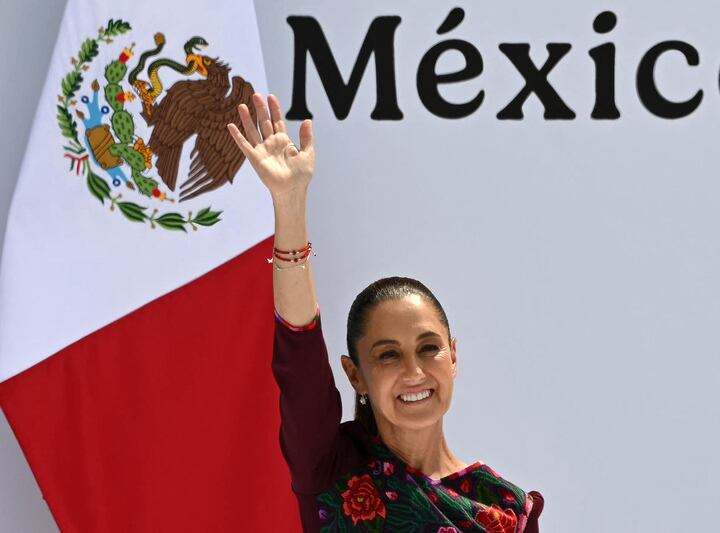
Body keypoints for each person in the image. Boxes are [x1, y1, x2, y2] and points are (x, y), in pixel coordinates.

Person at [227, 94, 544, 532]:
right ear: (354, 374)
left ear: (453, 356)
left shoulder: (503, 506)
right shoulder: (330, 468)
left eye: (428, 348)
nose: (414, 370)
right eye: (388, 355)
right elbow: (298, 357)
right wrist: (289, 204)